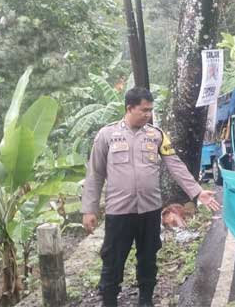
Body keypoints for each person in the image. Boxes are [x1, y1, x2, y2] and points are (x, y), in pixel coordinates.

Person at [81, 87, 221, 307]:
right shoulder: (107, 135)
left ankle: (145, 300)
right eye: (144, 110)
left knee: (148, 258)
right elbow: (95, 174)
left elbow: (175, 165)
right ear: (130, 108)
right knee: (113, 261)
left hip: (149, 211)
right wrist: (89, 209)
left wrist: (197, 191)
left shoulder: (156, 135)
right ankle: (109, 301)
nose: (148, 114)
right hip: (119, 212)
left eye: (150, 110)